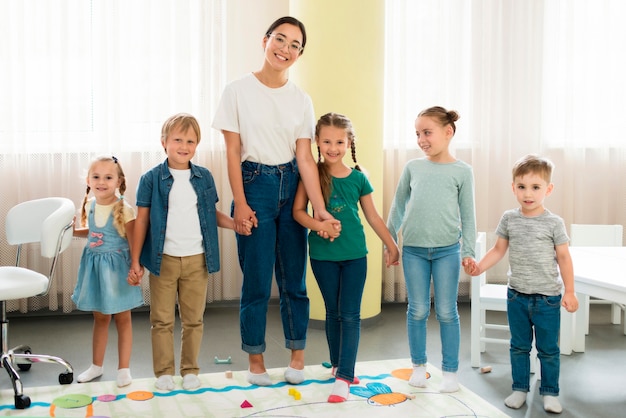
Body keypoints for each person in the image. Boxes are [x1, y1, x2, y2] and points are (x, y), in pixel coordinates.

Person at [212, 16, 336, 386]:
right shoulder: (236, 91)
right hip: (254, 185)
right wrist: (242, 202)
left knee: (294, 279)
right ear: (264, 41)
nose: (285, 48)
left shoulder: (301, 99)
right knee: (256, 281)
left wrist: (320, 207)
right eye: (280, 40)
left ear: (299, 55)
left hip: (292, 187)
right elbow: (232, 153)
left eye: (294, 45)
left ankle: (297, 356)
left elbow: (304, 158)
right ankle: (256, 361)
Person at [129, 113, 250, 391]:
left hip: (198, 259)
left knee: (194, 319)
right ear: (164, 142)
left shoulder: (204, 176)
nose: (184, 146)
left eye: (191, 141)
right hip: (163, 261)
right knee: (161, 320)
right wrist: (136, 260)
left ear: (197, 145)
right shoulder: (151, 179)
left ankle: (190, 370)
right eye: (178, 140)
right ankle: (163, 373)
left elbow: (211, 213)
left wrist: (234, 224)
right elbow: (142, 220)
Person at [293, 112, 400, 402]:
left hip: (355, 255)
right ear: (316, 141)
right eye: (326, 141)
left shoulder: (358, 177)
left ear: (349, 142)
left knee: (350, 313)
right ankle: (339, 365)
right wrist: (319, 226)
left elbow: (373, 216)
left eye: (339, 141)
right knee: (333, 312)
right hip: (322, 256)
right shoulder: (311, 174)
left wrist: (391, 244)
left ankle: (344, 377)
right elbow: (299, 213)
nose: (332, 147)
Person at [464, 154, 578, 414]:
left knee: (548, 350)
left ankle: (549, 392)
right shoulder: (509, 218)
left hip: (548, 298)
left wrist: (569, 291)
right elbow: (498, 249)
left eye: (536, 187)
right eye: (522, 187)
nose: (528, 193)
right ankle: (520, 388)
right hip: (517, 296)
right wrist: (480, 267)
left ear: (548, 189)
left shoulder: (554, 223)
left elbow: (564, 257)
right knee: (518, 347)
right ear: (513, 187)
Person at [387, 106, 476, 393]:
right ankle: (418, 367)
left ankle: (450, 373)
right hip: (413, 250)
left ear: (448, 133)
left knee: (448, 312)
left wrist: (468, 252)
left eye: (427, 132)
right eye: (417, 133)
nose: (421, 139)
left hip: (447, 251)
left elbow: (468, 215)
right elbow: (398, 205)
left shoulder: (463, 171)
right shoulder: (413, 167)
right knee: (417, 310)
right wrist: (390, 242)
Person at [71, 156, 144, 388]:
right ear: (88, 180)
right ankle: (96, 366)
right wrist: (75, 231)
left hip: (117, 270)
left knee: (123, 318)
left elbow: (134, 241)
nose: (101, 182)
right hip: (94, 269)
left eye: (108, 177)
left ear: (118, 181)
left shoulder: (125, 209)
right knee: (100, 318)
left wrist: (136, 266)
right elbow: (94, 232)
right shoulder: (91, 204)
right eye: (96, 177)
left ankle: (124, 369)